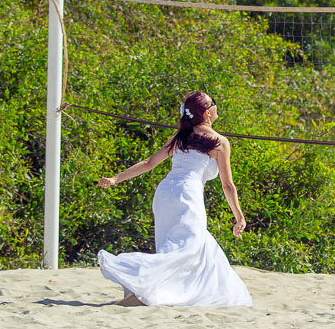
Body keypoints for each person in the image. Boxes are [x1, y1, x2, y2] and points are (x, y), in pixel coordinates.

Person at [96, 91, 252, 307]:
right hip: (187, 194)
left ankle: (154, 292)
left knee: (196, 246)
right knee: (186, 248)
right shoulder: (219, 142)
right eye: (213, 103)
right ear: (208, 113)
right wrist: (239, 217)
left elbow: (149, 163)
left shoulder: (181, 136)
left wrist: (116, 178)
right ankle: (130, 269)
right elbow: (227, 185)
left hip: (166, 193)